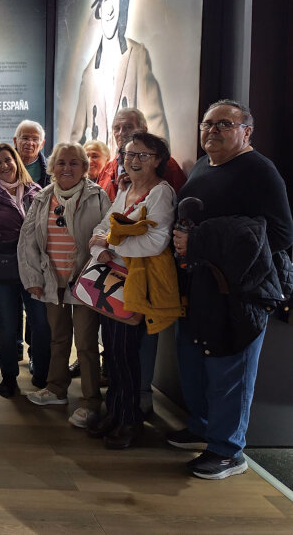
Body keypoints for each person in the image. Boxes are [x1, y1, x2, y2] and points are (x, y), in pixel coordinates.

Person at [169, 100, 292, 480]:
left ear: (246, 131)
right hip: (199, 283)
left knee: (230, 368)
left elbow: (281, 234)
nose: (213, 131)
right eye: (207, 124)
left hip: (239, 289)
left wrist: (204, 240)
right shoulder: (206, 164)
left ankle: (227, 451)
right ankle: (204, 427)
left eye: (224, 124)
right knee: (195, 361)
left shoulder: (259, 170)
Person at [87, 132, 181, 448]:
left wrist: (110, 246)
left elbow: (156, 242)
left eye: (143, 155)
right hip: (114, 282)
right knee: (112, 353)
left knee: (127, 355)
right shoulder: (126, 189)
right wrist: (98, 246)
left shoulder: (161, 193)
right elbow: (104, 226)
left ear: (158, 160)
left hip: (138, 285)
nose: (134, 160)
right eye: (129, 154)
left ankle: (129, 421)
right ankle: (115, 412)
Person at [20, 142, 111, 428]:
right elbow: (28, 241)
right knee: (58, 338)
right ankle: (56, 389)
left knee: (85, 344)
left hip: (84, 283)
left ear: (85, 168)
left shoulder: (98, 196)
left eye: (74, 163)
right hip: (52, 282)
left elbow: (108, 230)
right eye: (61, 163)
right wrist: (33, 280)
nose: (67, 168)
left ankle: (91, 402)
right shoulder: (43, 197)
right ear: (52, 167)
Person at [70, 0, 169, 150]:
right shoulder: (89, 72)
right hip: (103, 171)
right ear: (99, 8)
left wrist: (155, 161)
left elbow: (155, 123)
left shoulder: (137, 55)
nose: (111, 6)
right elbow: (76, 136)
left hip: (132, 165)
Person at [0, 143, 49, 397]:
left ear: (16, 161)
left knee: (40, 321)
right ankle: (8, 376)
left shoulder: (36, 191)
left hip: (33, 266)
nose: (5, 166)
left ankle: (41, 371)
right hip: (2, 265)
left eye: (8, 160)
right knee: (6, 323)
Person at [97, 107, 186, 200]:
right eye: (117, 128)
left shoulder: (165, 164)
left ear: (143, 130)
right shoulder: (107, 168)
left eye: (128, 127)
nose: (121, 132)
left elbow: (180, 203)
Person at [13, 120, 49, 186]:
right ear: (15, 141)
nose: (30, 143)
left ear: (42, 144)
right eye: (25, 138)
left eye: (35, 139)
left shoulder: (50, 169)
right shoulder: (2, 165)